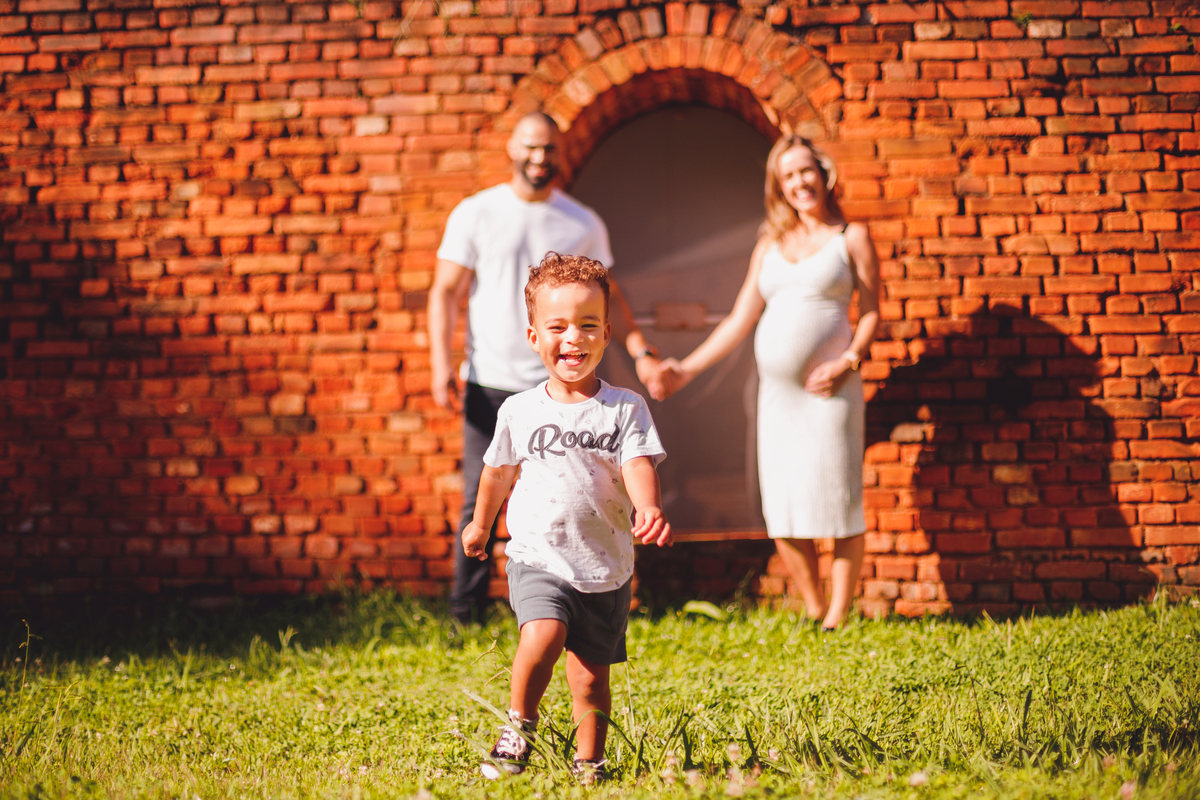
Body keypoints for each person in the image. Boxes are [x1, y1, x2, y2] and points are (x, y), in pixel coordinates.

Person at [428, 112, 666, 627]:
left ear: (561, 153)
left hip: (565, 388)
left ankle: (598, 595)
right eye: (531, 146)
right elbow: (445, 291)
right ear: (512, 149)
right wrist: (441, 362)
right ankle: (465, 613)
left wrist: (642, 352)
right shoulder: (476, 212)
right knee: (481, 492)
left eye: (550, 149)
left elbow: (610, 296)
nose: (540, 157)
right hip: (491, 380)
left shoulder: (582, 222)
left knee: (592, 486)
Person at [462, 253, 671, 781]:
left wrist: (648, 506)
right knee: (543, 632)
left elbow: (637, 464)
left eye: (588, 325)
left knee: (590, 679)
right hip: (538, 555)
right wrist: (481, 525)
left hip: (604, 565)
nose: (573, 337)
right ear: (535, 337)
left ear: (606, 335)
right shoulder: (519, 410)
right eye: (558, 326)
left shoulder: (625, 407)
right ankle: (519, 725)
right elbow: (497, 474)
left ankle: (589, 761)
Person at [658, 136, 880, 631]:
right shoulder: (769, 245)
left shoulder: (851, 238)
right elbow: (739, 320)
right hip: (777, 397)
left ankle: (839, 616)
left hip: (830, 392)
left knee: (840, 499)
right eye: (789, 175)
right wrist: (687, 369)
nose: (800, 182)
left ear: (824, 174)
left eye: (806, 171)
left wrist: (848, 361)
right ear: (779, 186)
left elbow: (871, 313)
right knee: (782, 503)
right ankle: (815, 607)